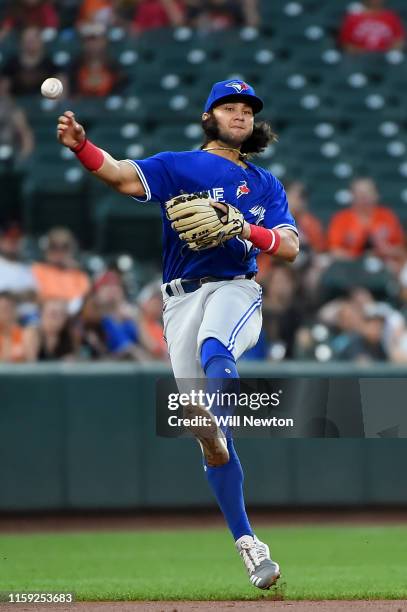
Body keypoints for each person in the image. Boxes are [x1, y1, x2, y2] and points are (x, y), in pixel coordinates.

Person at [57, 78, 299, 589]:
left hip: (236, 287)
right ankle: (249, 545)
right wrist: (83, 146)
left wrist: (243, 228)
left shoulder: (266, 186)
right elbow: (122, 177)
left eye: (247, 110)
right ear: (209, 117)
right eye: (228, 107)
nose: (239, 115)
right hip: (178, 300)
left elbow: (289, 248)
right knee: (213, 447)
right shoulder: (179, 165)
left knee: (218, 345)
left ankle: (216, 414)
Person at [327, 177, 405, 261]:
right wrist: (357, 257)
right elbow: (334, 251)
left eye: (368, 192)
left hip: (384, 263)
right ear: (352, 195)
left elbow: (400, 248)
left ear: (376, 195)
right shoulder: (341, 218)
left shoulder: (387, 216)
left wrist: (385, 250)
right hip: (349, 267)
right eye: (359, 193)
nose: (364, 196)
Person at [31, 227, 90, 310]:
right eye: (54, 246)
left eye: (64, 246)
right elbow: (35, 298)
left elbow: (85, 298)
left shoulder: (79, 273)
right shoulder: (37, 270)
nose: (59, 251)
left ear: (72, 249)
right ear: (46, 248)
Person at [69, 22, 127, 97]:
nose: (92, 44)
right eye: (88, 40)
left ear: (104, 41)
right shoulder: (74, 68)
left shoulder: (115, 68)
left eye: (95, 39)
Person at [2, 26, 60, 96]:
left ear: (41, 41)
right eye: (27, 40)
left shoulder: (50, 63)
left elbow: (60, 90)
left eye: (33, 40)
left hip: (45, 102)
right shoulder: (12, 63)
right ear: (21, 42)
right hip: (16, 103)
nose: (30, 43)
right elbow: (3, 91)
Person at [339, 0, 405, 53]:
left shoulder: (391, 17)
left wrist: (386, 52)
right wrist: (365, 53)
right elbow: (345, 44)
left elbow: (399, 40)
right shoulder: (352, 18)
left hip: (385, 60)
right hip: (358, 60)